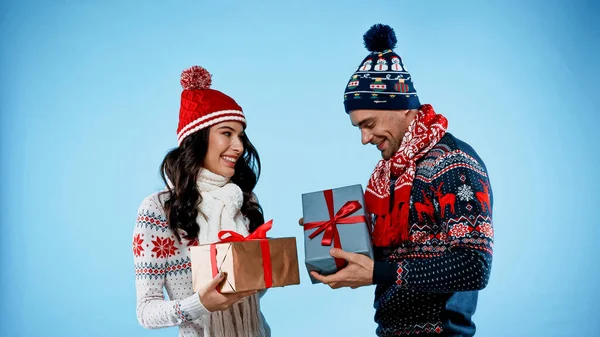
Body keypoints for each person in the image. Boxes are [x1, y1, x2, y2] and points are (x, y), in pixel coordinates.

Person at [308, 24, 494, 337]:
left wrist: (377, 272)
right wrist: (331, 233)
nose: (365, 138)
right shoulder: (389, 175)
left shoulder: (453, 163)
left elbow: (474, 265)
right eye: (359, 128)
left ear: (400, 108)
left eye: (369, 124)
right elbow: (391, 255)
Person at [132, 65, 270, 337]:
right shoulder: (158, 210)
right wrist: (200, 303)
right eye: (227, 133)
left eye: (240, 136)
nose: (239, 147)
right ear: (199, 138)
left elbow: (251, 292)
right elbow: (146, 311)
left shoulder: (242, 199)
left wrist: (266, 264)